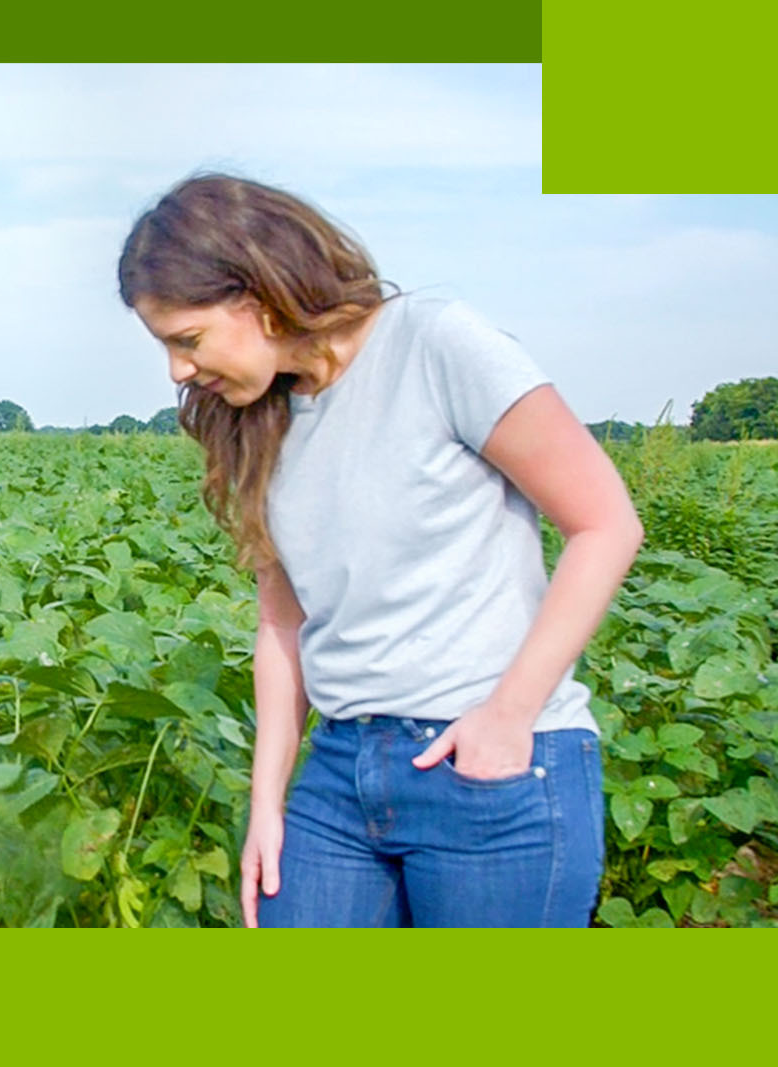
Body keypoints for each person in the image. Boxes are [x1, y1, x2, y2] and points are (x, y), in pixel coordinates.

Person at [118, 174, 643, 927]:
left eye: (187, 339)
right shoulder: (259, 421)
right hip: (341, 771)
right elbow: (282, 625)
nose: (178, 370)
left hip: (489, 770)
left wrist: (508, 713)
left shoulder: (435, 343)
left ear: (259, 296)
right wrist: (267, 804)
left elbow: (606, 523)